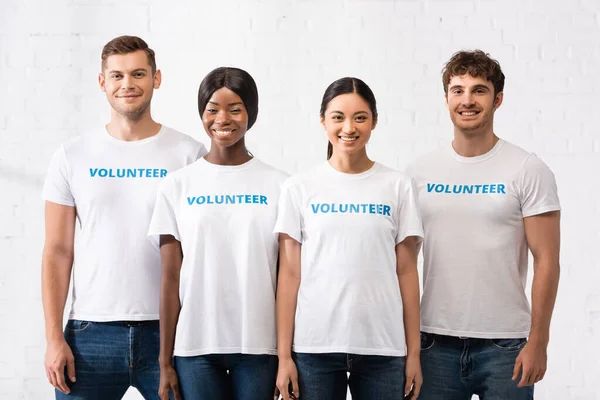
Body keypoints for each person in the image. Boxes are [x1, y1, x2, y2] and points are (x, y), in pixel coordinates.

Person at [41, 35, 206, 399]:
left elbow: (200, 250)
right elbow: (57, 250)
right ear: (102, 82)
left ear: (156, 78)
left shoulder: (189, 154)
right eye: (116, 76)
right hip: (90, 335)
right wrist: (54, 338)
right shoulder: (73, 155)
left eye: (138, 74)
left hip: (171, 333)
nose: (127, 84)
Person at [406, 50, 561, 399]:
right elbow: (402, 265)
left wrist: (539, 341)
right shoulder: (418, 173)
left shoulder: (527, 169)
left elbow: (547, 260)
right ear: (446, 98)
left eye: (479, 90)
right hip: (434, 344)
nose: (467, 100)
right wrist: (408, 344)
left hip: (505, 347)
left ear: (498, 99)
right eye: (457, 90)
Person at [274, 77, 423, 400]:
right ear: (323, 121)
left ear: (374, 121)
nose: (349, 127)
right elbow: (289, 274)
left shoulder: (398, 186)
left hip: (383, 348)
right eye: (338, 117)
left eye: (360, 117)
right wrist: (284, 357)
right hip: (314, 347)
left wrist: (414, 354)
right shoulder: (299, 187)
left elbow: (408, 273)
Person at [149, 67, 287, 400]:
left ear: (250, 114)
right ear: (202, 113)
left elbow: (287, 278)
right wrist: (164, 361)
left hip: (259, 347)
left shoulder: (281, 185)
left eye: (234, 109)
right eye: (212, 109)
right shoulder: (177, 185)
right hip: (195, 346)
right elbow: (170, 277)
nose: (222, 118)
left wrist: (286, 356)